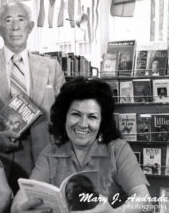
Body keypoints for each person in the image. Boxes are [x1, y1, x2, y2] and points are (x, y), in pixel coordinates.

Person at [0, 2, 65, 193]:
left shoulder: (52, 67)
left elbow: (65, 115)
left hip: (44, 161)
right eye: (8, 20)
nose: (15, 26)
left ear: (30, 26)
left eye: (21, 19)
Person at [11, 77, 152, 213]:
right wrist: (17, 207)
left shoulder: (118, 149)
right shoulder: (50, 152)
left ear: (102, 122)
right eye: (76, 114)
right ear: (64, 117)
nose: (83, 124)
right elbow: (26, 192)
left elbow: (144, 200)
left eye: (92, 117)